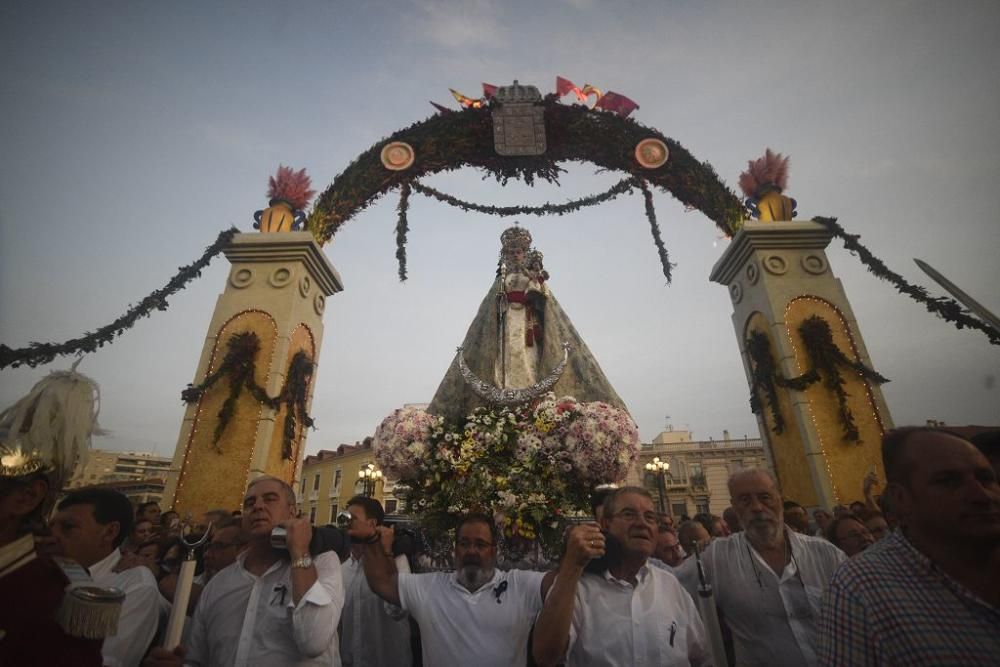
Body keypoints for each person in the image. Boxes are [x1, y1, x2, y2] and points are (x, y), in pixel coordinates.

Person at [818, 427, 1000, 665]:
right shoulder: (860, 588)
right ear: (901, 499)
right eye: (948, 481)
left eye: (986, 478)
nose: (981, 495)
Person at [147, 476, 345, 666]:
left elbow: (313, 641)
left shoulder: (322, 563)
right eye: (249, 503)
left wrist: (299, 551)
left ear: (292, 513)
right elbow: (199, 657)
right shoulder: (220, 583)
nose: (257, 506)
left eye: (269, 499)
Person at [675, 469, 846, 666]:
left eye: (765, 497)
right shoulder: (716, 557)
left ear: (779, 499)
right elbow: (667, 587)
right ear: (735, 507)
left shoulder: (826, 554)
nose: (756, 507)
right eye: (745, 500)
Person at [533, 486, 709, 666]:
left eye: (650, 517)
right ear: (605, 524)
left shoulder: (670, 585)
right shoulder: (578, 589)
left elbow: (701, 655)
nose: (642, 523)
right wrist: (571, 566)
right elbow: (545, 656)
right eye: (629, 514)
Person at [350, 511, 553, 667]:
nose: (471, 551)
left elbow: (557, 584)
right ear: (455, 550)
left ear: (494, 551)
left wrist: (574, 559)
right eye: (464, 543)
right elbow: (383, 582)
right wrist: (372, 541)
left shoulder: (520, 586)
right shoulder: (430, 588)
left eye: (480, 544)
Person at [51, 488, 162, 667]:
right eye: (51, 526)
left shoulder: (135, 586)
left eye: (68, 527)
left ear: (109, 532)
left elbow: (107, 660)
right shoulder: (44, 567)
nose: (53, 536)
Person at [339, 495, 412, 667]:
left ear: (372, 524)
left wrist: (386, 552)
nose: (346, 523)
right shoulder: (342, 569)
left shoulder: (397, 560)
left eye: (353, 519)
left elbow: (398, 611)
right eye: (344, 518)